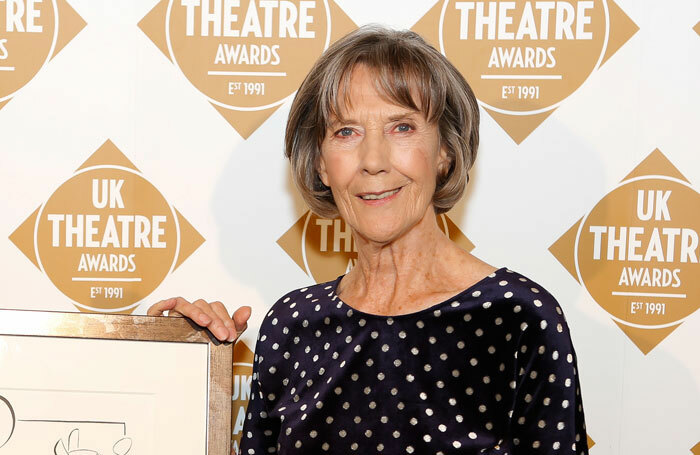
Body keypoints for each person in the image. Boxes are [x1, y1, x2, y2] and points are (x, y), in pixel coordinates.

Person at [150, 25, 588, 455]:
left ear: (445, 152)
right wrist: (184, 376)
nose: (373, 161)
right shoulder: (292, 325)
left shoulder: (516, 318)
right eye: (346, 132)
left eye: (402, 128)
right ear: (321, 163)